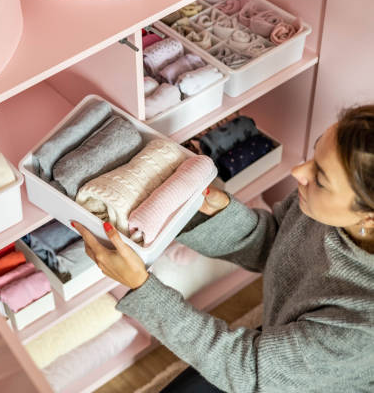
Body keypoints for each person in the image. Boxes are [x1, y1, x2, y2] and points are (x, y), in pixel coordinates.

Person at [71, 106, 374, 392]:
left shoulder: (361, 330)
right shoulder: (325, 212)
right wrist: (217, 214)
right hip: (284, 354)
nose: (298, 172)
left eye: (320, 179)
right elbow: (279, 248)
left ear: (368, 219)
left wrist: (143, 286)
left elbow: (246, 369)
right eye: (315, 152)